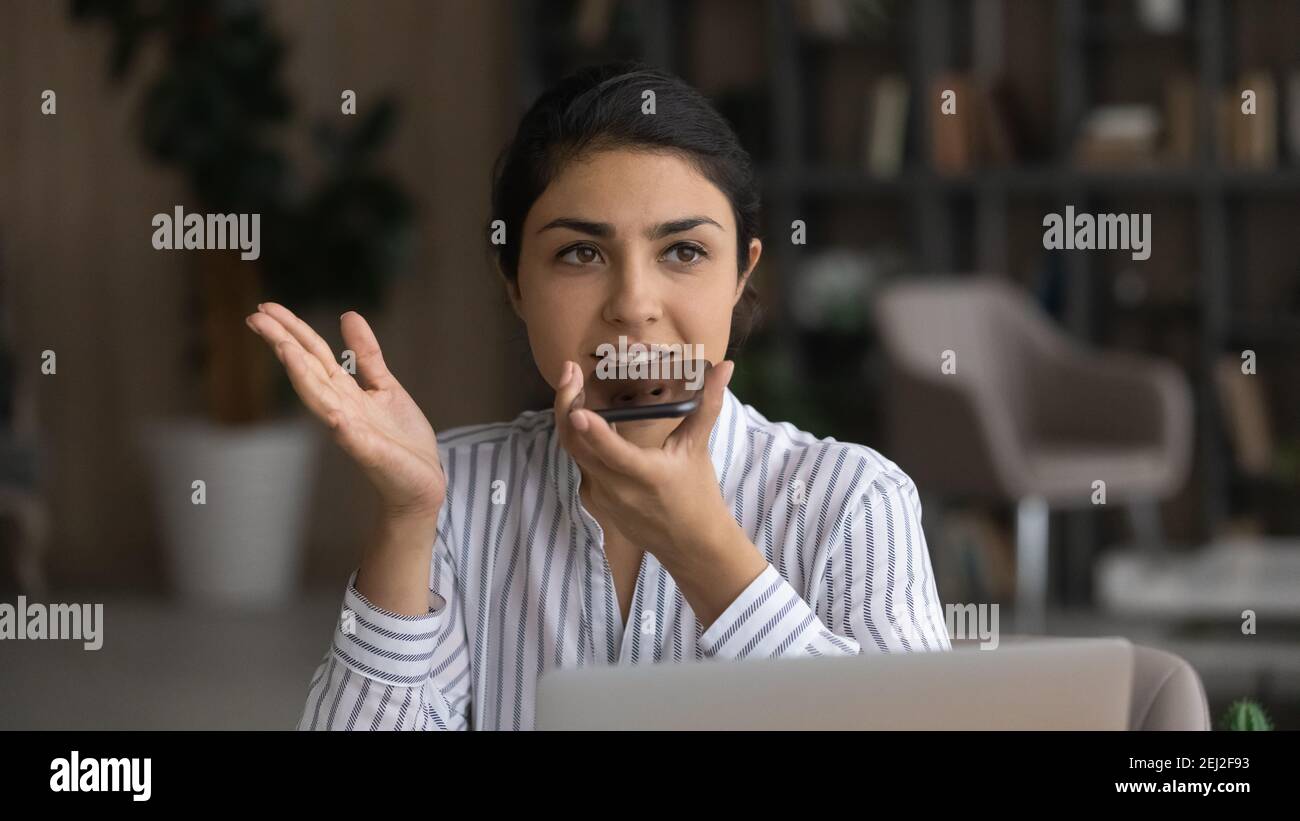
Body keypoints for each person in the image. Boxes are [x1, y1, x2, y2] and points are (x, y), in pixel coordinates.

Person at [246, 62, 950, 731]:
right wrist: (406, 518)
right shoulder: (451, 497)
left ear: (742, 273)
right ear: (516, 283)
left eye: (684, 251)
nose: (634, 304)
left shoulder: (853, 500)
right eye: (581, 253)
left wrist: (707, 553)